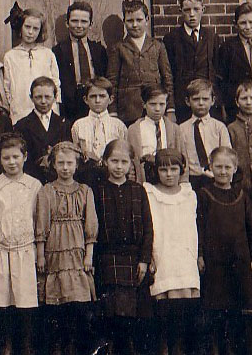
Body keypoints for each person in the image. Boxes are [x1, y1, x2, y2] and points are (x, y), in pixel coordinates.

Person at [91, 139, 154, 355]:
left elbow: (148, 228)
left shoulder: (138, 190)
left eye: (124, 162)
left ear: (131, 164)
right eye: (114, 161)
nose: (119, 167)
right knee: (111, 314)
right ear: (105, 162)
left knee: (133, 317)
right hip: (107, 259)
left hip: (134, 260)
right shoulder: (97, 191)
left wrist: (144, 260)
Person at [0, 134, 41, 355]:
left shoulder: (34, 185)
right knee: (0, 301)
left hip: (25, 249)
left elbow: (38, 219)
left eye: (16, 157)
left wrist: (38, 250)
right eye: (6, 158)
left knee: (24, 302)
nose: (12, 162)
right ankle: (4, 346)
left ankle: (25, 346)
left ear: (25, 157)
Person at [35, 141, 97, 355]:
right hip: (54, 249)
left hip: (77, 250)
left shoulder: (85, 191)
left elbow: (91, 225)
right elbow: (42, 224)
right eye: (60, 163)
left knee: (78, 305)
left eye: (69, 163)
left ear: (77, 165)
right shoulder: (46, 191)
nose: (65, 167)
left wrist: (89, 254)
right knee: (57, 306)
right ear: (53, 165)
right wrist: (40, 255)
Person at [197, 147, 252, 355]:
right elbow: (200, 227)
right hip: (215, 261)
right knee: (216, 310)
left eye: (227, 167)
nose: (223, 171)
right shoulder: (204, 194)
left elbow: (251, 229)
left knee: (240, 312)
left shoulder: (242, 194)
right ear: (210, 167)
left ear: (235, 168)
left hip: (239, 259)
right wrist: (201, 254)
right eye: (218, 167)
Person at [143, 148, 200, 355]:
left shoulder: (189, 194)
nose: (169, 174)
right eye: (163, 169)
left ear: (181, 170)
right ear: (156, 171)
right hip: (162, 255)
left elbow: (193, 228)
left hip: (185, 257)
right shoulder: (149, 193)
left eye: (174, 169)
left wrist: (196, 256)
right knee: (165, 312)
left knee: (186, 313)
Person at [107, 0, 173, 126]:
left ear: (147, 19)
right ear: (124, 21)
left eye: (139, 20)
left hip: (154, 107)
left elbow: (167, 78)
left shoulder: (157, 46)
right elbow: (112, 81)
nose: (135, 25)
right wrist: (113, 111)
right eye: (130, 21)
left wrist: (170, 108)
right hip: (128, 110)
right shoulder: (118, 47)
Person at [163, 0, 221, 123]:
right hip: (183, 103)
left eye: (196, 9)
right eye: (187, 10)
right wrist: (171, 107)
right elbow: (168, 74)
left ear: (203, 10)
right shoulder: (171, 39)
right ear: (181, 11)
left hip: (207, 103)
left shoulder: (212, 37)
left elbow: (217, 71)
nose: (192, 14)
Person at [3, 7, 61, 124]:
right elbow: (7, 86)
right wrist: (13, 107)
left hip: (45, 110)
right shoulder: (11, 56)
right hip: (20, 110)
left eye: (35, 29)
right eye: (27, 27)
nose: (30, 32)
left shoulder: (47, 54)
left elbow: (55, 83)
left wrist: (54, 106)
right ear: (21, 27)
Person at [52, 1, 108, 121]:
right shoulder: (58, 51)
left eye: (84, 21)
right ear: (67, 23)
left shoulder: (99, 50)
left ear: (91, 24)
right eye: (74, 21)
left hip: (94, 101)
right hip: (69, 107)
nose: (79, 25)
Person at [14, 76, 71, 183]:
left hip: (58, 179)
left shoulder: (64, 123)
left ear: (55, 97)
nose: (43, 101)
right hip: (33, 179)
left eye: (48, 97)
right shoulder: (22, 125)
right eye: (38, 97)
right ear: (31, 98)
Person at [127, 83, 186, 184]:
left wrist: (183, 182)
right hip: (145, 179)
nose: (157, 109)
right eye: (153, 104)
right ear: (144, 104)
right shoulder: (134, 130)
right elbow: (131, 159)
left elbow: (183, 157)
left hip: (169, 177)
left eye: (161, 104)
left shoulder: (174, 129)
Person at [178, 78, 231, 190]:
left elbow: (226, 154)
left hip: (215, 177)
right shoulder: (181, 129)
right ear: (188, 101)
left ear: (212, 101)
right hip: (192, 179)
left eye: (205, 99)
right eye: (196, 99)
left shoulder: (219, 127)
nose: (201, 103)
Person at [70, 77, 127, 173]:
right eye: (93, 96)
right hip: (86, 174)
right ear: (85, 99)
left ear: (111, 99)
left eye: (102, 96)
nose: (97, 100)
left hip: (112, 174)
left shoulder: (118, 126)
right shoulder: (78, 125)